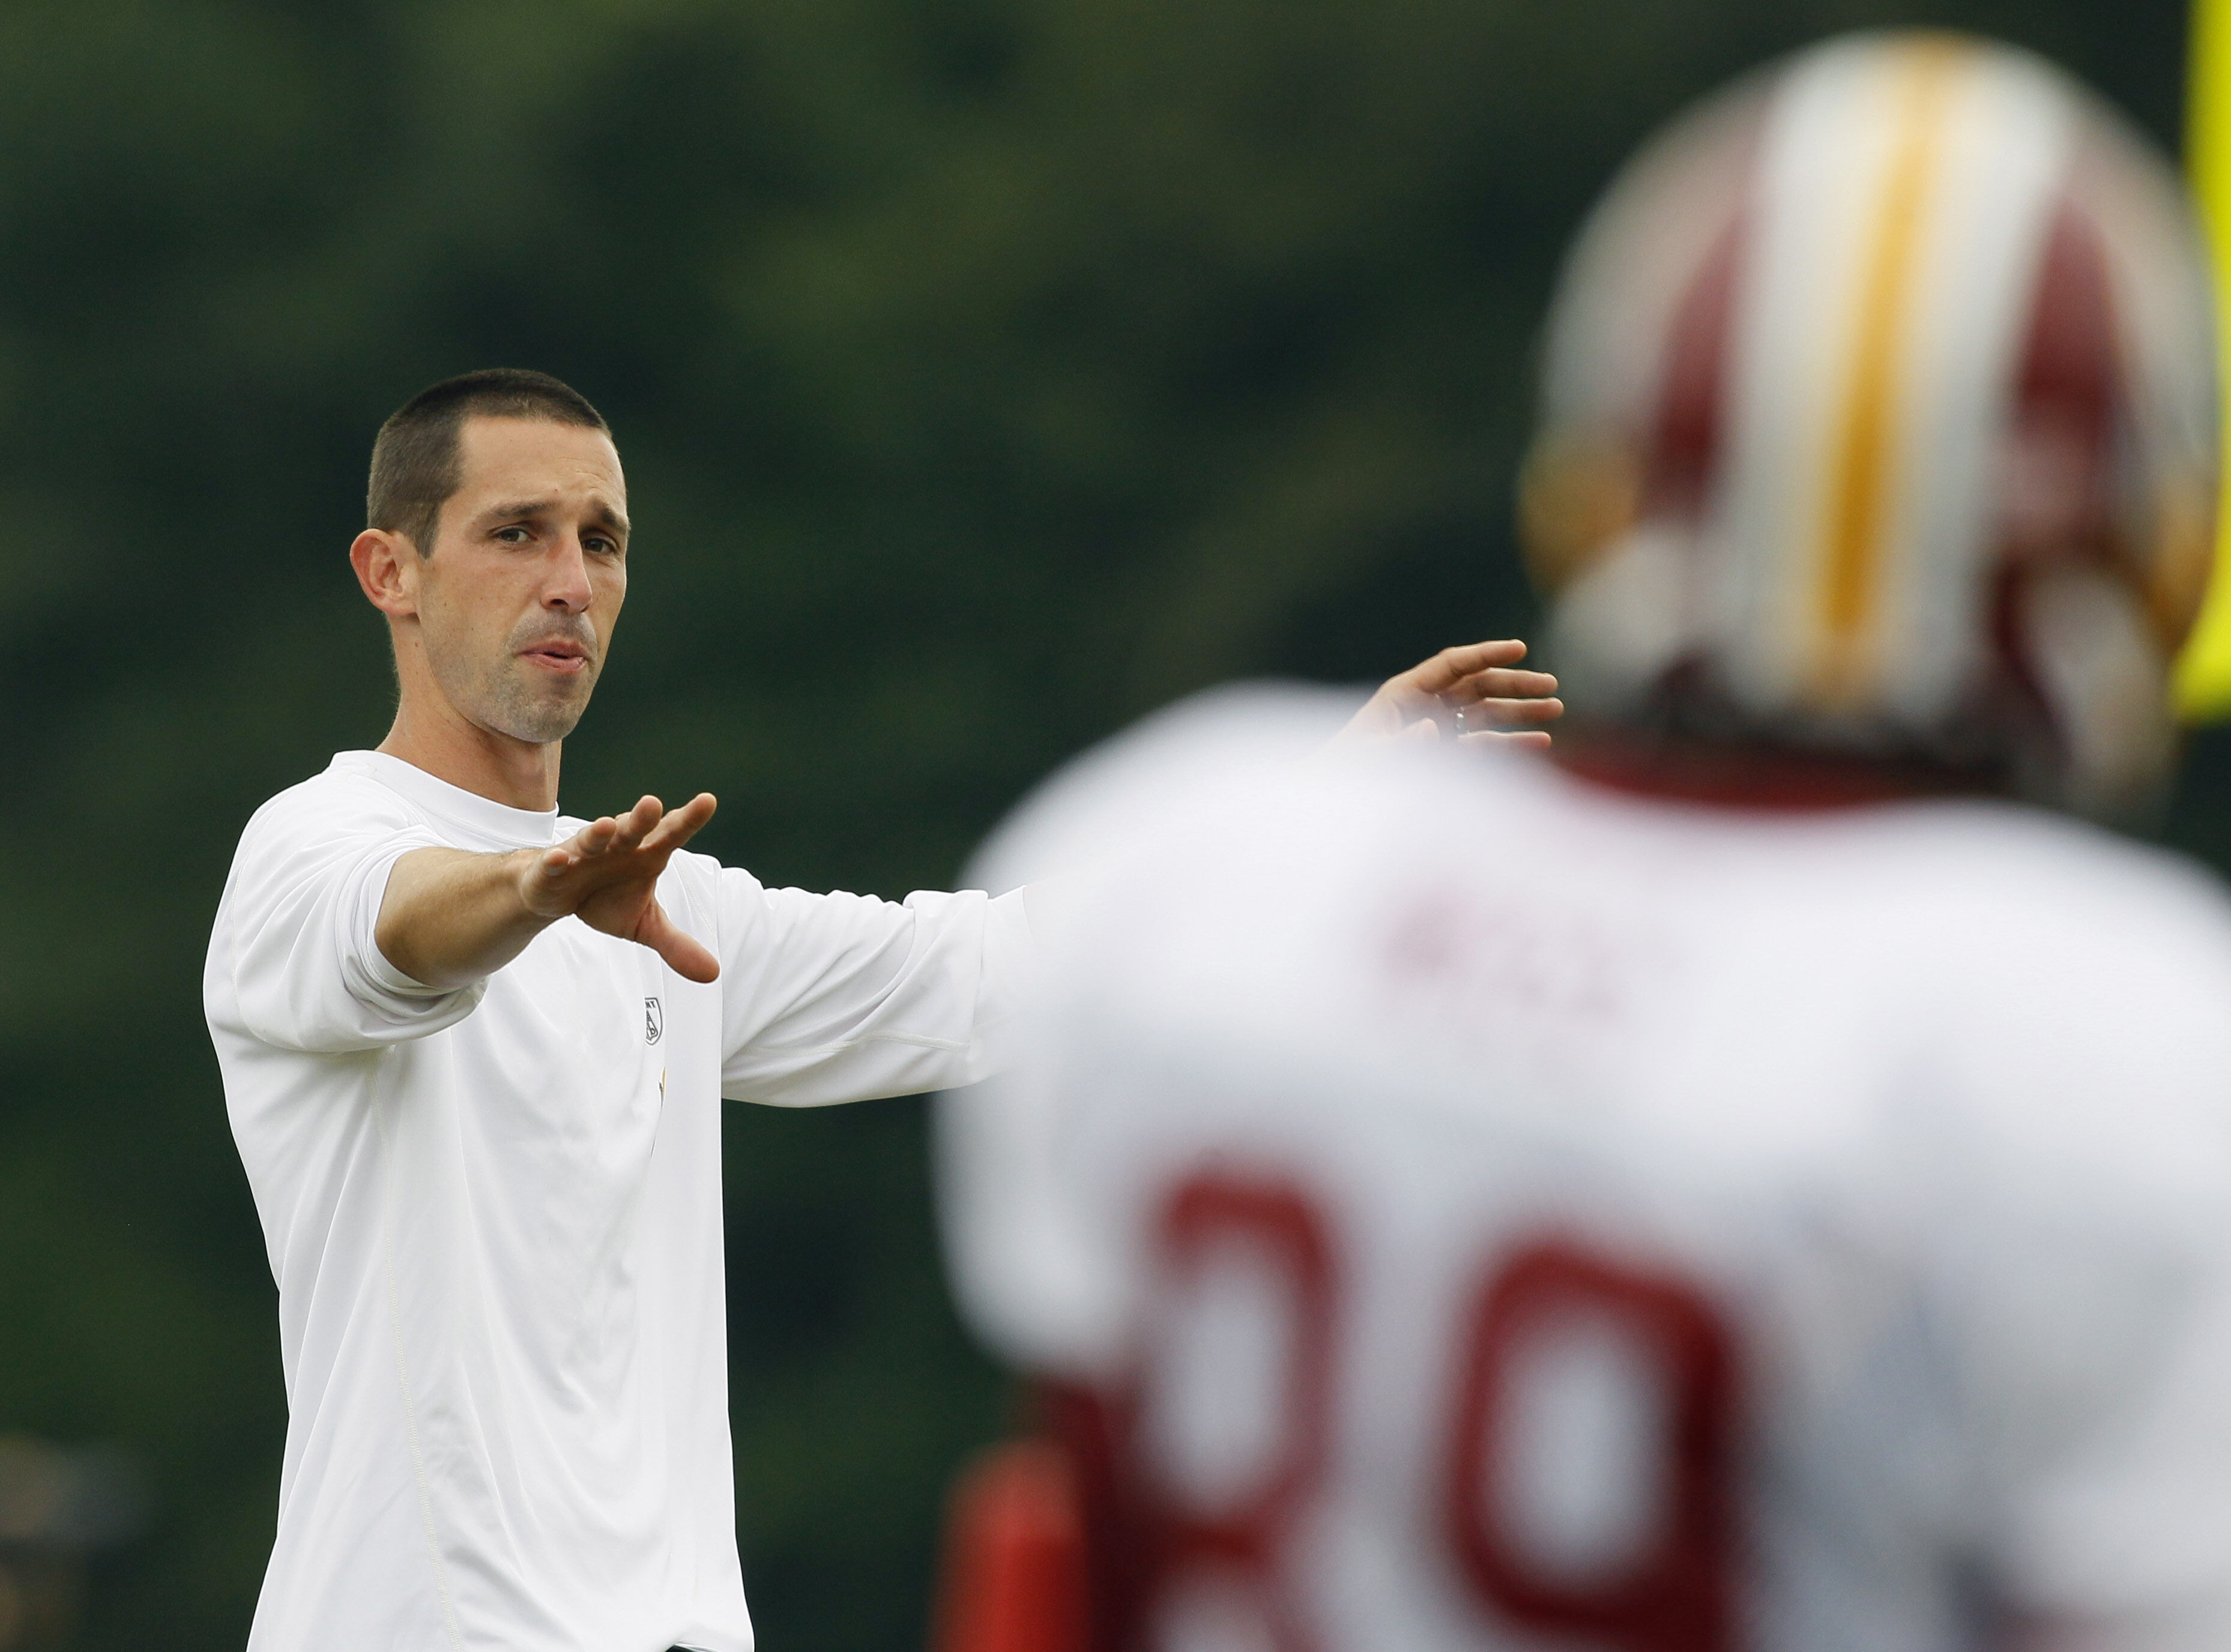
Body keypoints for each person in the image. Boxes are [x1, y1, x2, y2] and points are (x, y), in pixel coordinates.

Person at [932, 31, 2231, 1652]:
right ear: (2150, 559)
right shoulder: (2115, 1048)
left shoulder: (1192, 857)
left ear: (1599, 484)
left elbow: (1053, 1568)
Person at [200, 366, 1560, 1652]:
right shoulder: (313, 849)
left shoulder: (665, 903)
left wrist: (1315, 811)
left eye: (603, 540)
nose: (570, 581)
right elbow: (402, 929)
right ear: (393, 571)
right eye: (516, 532)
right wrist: (536, 888)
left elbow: (992, 974)